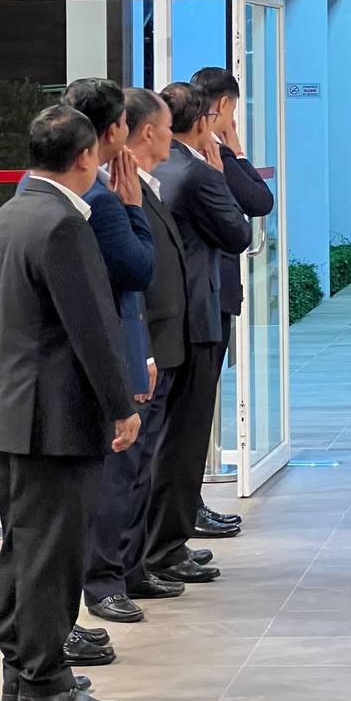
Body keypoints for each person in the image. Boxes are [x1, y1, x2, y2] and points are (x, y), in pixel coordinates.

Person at [0, 106, 139, 701]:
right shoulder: (63, 224)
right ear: (85, 156)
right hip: (55, 417)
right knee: (52, 556)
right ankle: (45, 683)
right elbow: (92, 329)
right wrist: (121, 405)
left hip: (13, 410)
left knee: (22, 548)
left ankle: (21, 671)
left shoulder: (11, 214)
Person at [55, 82, 155, 648]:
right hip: (89, 367)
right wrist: (135, 210)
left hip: (91, 360)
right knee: (91, 494)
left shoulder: (46, 197)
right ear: (112, 131)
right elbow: (136, 271)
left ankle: (67, 620)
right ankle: (86, 600)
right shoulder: (101, 199)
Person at [144, 84, 250, 586]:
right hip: (198, 315)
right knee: (184, 439)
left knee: (166, 436)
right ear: (205, 121)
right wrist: (221, 173)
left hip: (167, 317)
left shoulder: (158, 170)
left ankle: (159, 544)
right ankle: (167, 548)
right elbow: (239, 232)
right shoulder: (196, 172)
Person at [189, 67, 275, 539]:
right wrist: (237, 147)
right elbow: (259, 202)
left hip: (200, 294)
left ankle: (186, 505)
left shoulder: (184, 156)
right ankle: (186, 507)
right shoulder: (212, 156)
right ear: (223, 106)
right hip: (209, 294)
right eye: (233, 110)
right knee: (193, 410)